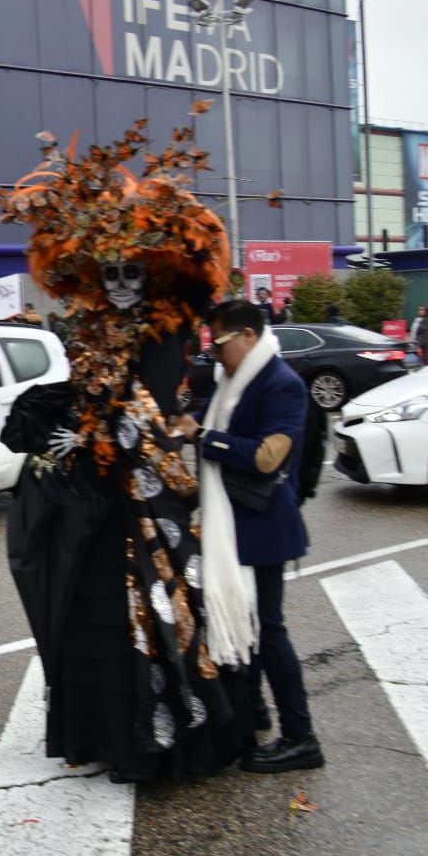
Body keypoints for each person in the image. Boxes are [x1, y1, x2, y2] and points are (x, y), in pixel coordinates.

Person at [0, 120, 251, 785]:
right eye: (109, 274)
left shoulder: (165, 337)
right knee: (95, 617)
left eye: (131, 272)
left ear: (152, 273)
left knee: (160, 616)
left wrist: (89, 431)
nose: (120, 285)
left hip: (153, 506)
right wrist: (64, 424)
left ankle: (167, 743)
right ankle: (104, 736)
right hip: (106, 503)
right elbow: (92, 400)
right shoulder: (91, 332)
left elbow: (147, 418)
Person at [175, 298, 322, 774]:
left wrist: (205, 439)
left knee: (270, 632)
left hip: (264, 527)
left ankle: (301, 737)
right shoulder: (232, 382)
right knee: (252, 628)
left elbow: (266, 457)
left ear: (248, 337)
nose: (214, 353)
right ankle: (253, 712)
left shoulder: (282, 385)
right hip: (238, 524)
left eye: (219, 343)